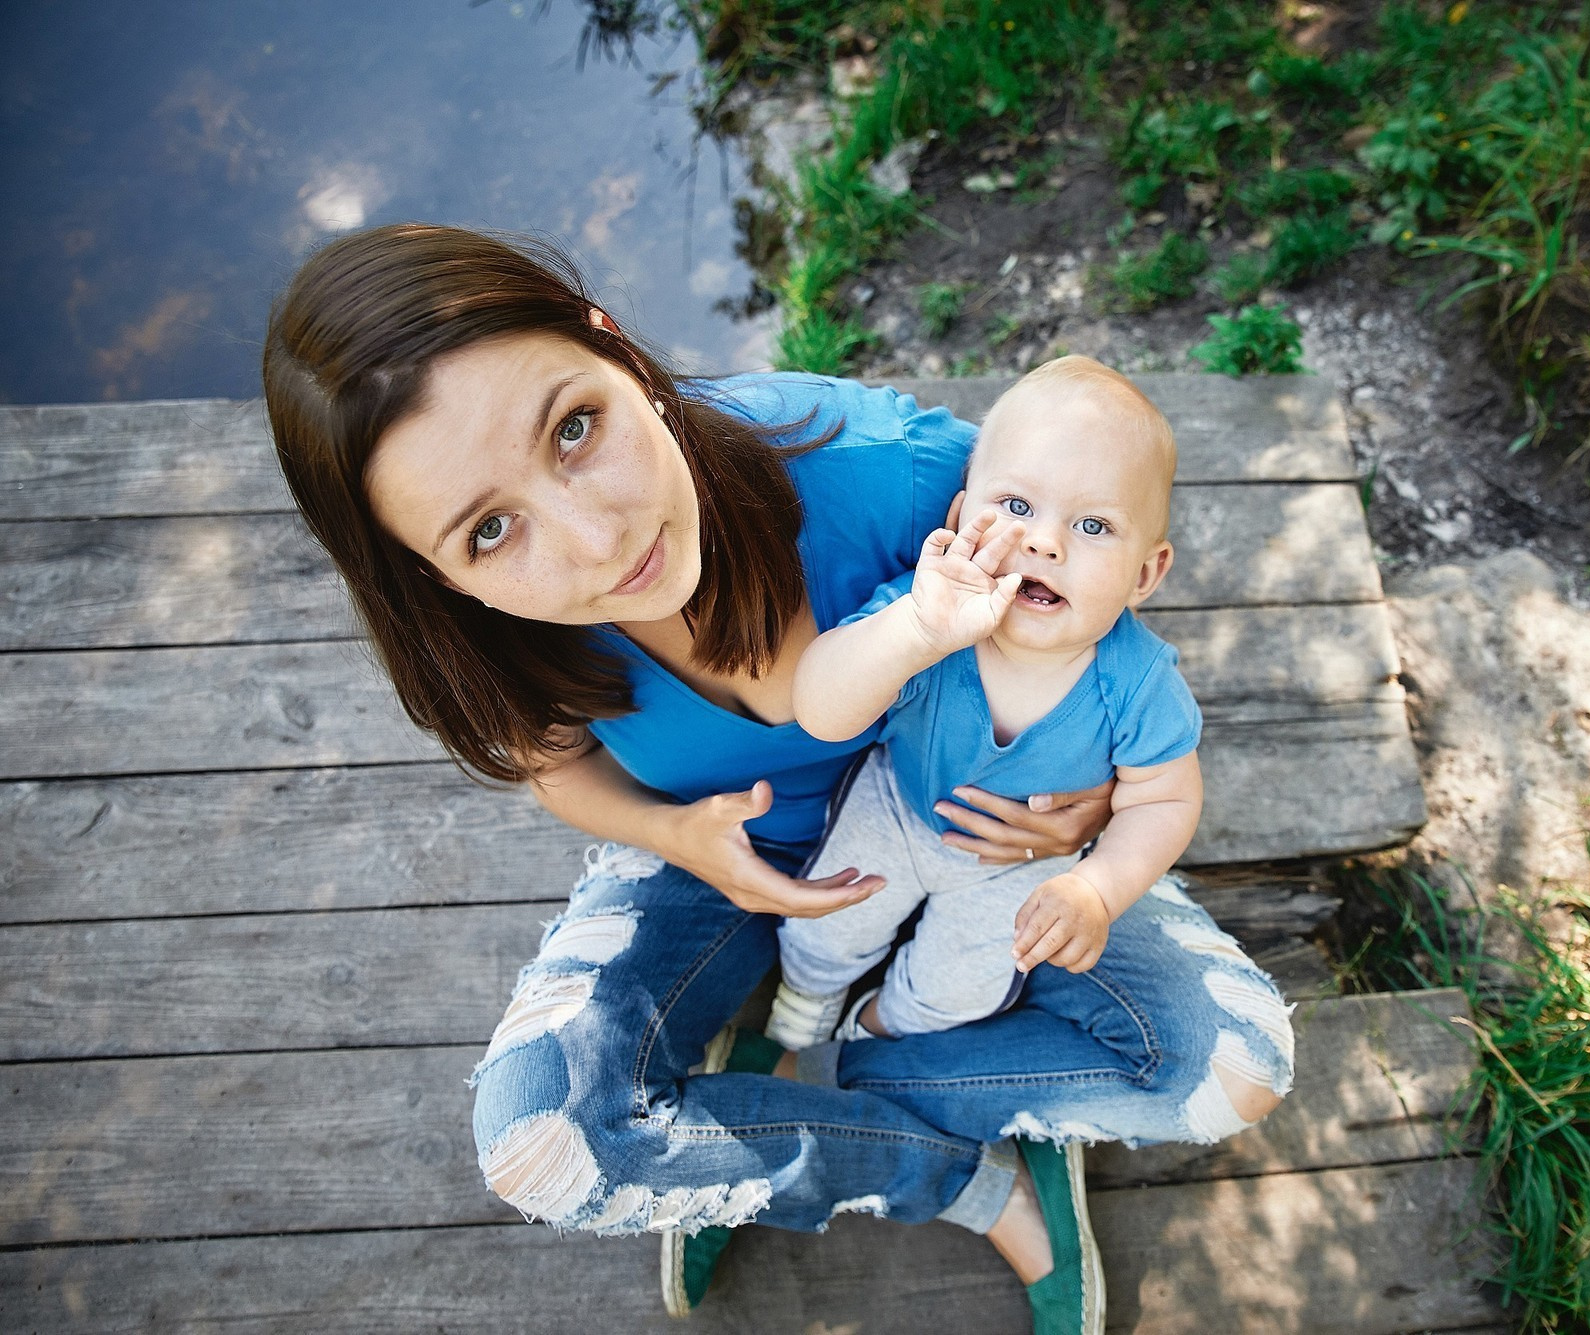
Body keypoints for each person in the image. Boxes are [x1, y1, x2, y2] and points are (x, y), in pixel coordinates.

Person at [263, 223, 1295, 1335]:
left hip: (976, 824)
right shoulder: (493, 638)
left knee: (1227, 1064)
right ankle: (954, 1176)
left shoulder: (895, 475)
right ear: (431, 576)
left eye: (573, 427)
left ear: (611, 346)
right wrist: (676, 841)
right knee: (543, 1144)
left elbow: (1090, 573)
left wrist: (1095, 804)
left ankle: (866, 1081)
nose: (597, 539)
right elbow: (552, 771)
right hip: (720, 860)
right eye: (491, 530)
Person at [769, 358, 1206, 1051]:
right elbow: (822, 708)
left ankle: (876, 1027)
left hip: (1019, 865)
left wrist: (1098, 887)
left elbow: (1165, 801)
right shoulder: (930, 620)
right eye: (1017, 506)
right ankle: (810, 989)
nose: (1044, 541)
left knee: (962, 988)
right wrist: (911, 633)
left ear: (1145, 573)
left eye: (1093, 525)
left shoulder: (1137, 682)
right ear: (960, 516)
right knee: (829, 918)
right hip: (897, 810)